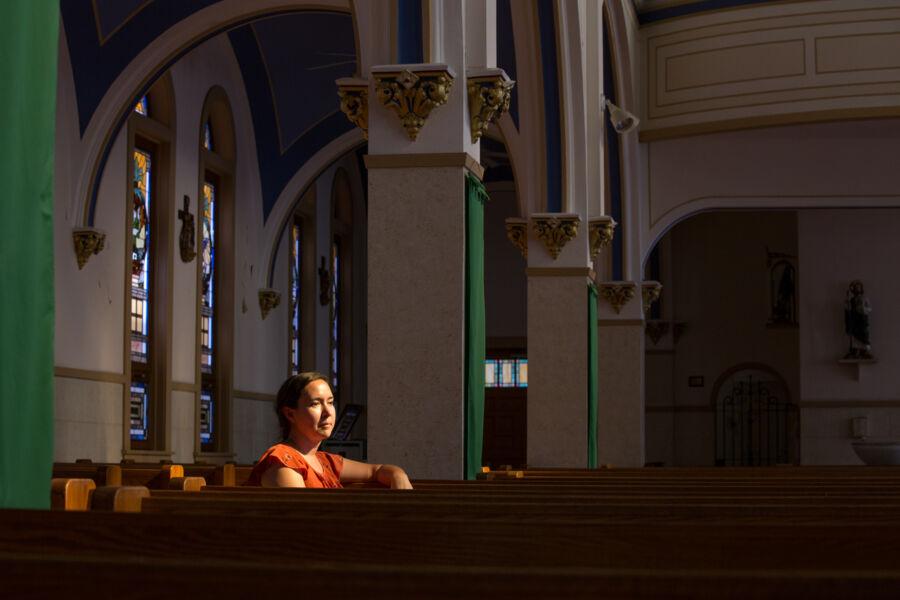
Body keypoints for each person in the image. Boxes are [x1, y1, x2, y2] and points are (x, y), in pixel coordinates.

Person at [244, 372, 413, 489]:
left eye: (330, 402)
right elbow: (305, 523)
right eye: (315, 404)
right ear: (290, 414)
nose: (328, 412)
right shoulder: (282, 461)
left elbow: (376, 470)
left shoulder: (324, 461)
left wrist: (398, 475)